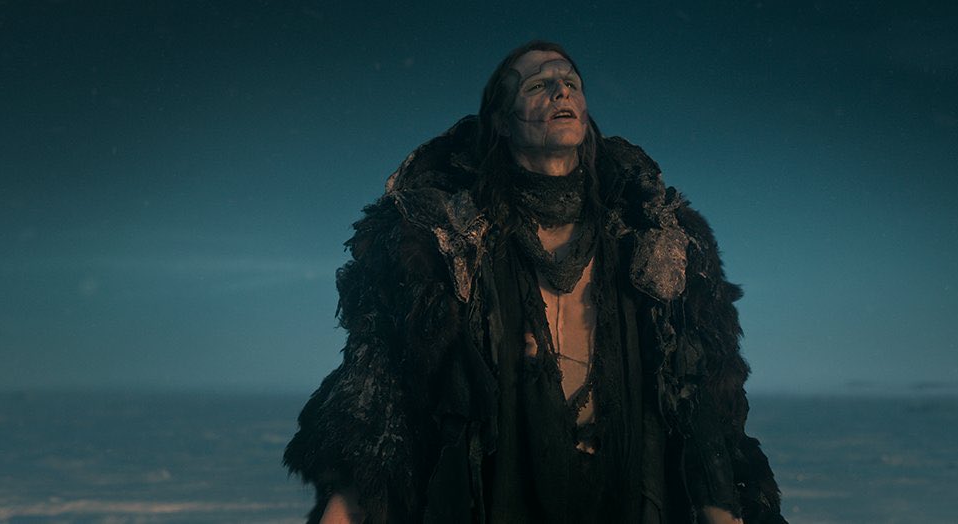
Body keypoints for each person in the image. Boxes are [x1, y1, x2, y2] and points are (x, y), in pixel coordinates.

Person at [284, 41, 787, 524]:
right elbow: (386, 390)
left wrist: (723, 510)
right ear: (502, 122)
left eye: (571, 83)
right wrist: (348, 507)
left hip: (625, 489)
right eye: (537, 85)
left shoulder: (650, 236)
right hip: (497, 491)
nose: (561, 91)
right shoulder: (442, 244)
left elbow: (699, 393)